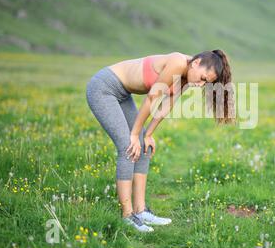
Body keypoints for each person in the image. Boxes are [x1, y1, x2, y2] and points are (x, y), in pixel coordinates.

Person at [85, 50, 234, 232]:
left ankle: (140, 211)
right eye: (202, 78)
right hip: (104, 88)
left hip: (123, 95)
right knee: (128, 147)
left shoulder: (188, 78)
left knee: (144, 147)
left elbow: (167, 105)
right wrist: (135, 134)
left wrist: (148, 134)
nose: (201, 84)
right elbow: (153, 97)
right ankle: (127, 215)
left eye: (205, 83)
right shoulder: (178, 62)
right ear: (196, 62)